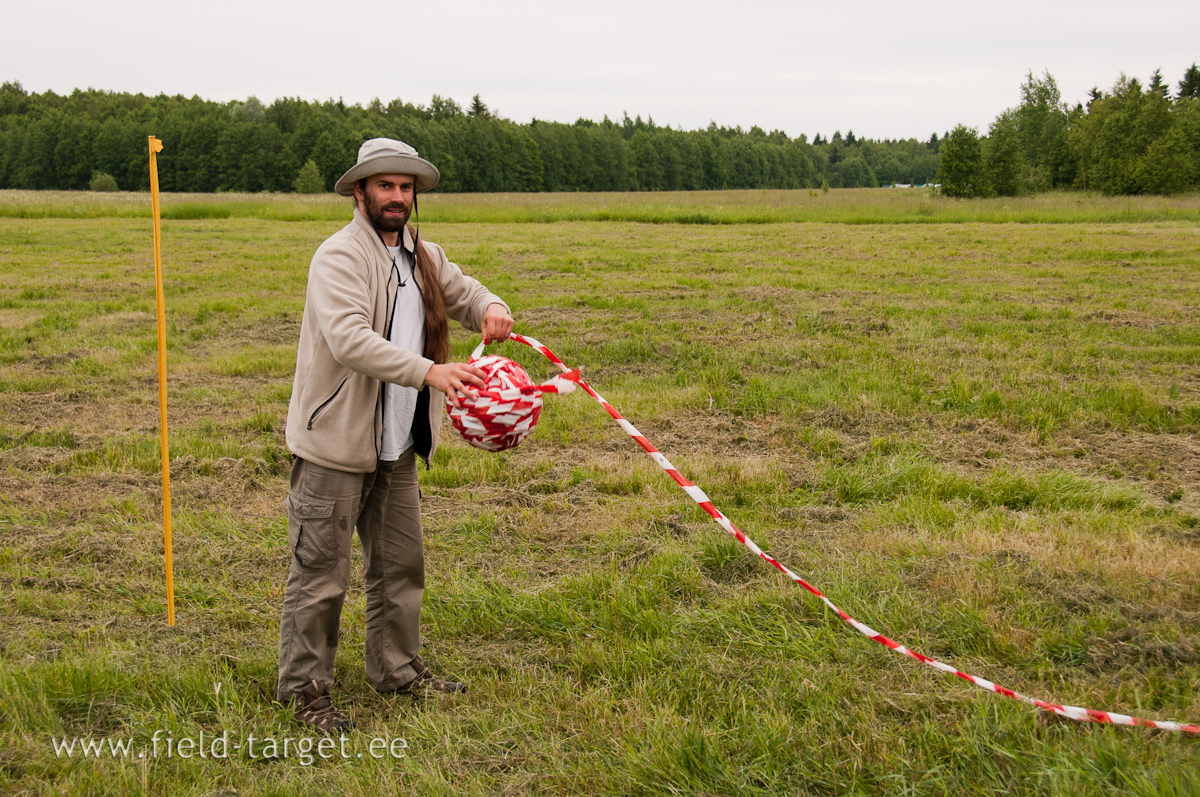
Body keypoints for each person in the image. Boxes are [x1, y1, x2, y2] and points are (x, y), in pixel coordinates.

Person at [277, 138, 513, 733]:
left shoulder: (424, 255)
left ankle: (396, 668)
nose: (398, 197)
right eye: (385, 186)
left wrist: (492, 305)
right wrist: (429, 371)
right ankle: (305, 691)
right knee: (320, 574)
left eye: (406, 187)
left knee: (401, 566)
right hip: (336, 442)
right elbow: (350, 338)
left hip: (397, 444)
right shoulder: (339, 257)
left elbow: (464, 291)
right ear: (360, 192)